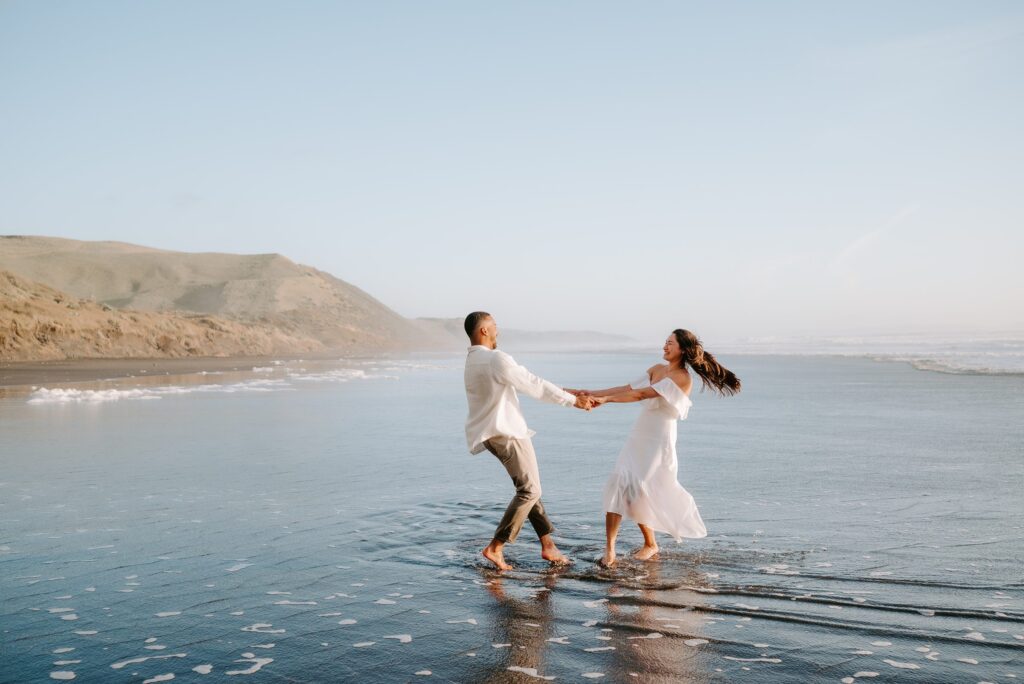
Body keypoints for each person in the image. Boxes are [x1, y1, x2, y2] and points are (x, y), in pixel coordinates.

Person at [570, 329, 740, 567]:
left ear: (683, 349)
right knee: (621, 482)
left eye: (670, 343)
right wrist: (589, 393)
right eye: (665, 342)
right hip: (640, 433)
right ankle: (610, 549)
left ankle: (650, 544)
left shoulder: (683, 378)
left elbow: (641, 395)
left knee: (639, 488)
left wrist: (605, 401)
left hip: (659, 439)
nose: (665, 347)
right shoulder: (656, 369)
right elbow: (628, 388)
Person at [463, 311, 596, 571]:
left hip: (492, 434)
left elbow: (526, 382)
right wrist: (573, 401)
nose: (498, 330)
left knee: (531, 488)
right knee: (530, 491)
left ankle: (548, 546)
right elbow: (532, 383)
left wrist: (568, 392)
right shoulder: (495, 359)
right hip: (507, 433)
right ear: (484, 331)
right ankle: (496, 547)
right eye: (494, 325)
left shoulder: (473, 361)